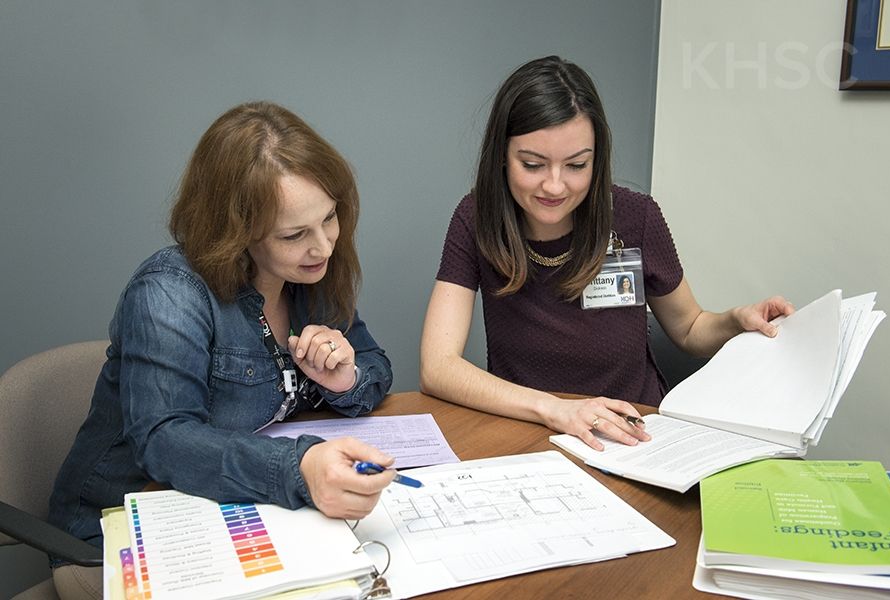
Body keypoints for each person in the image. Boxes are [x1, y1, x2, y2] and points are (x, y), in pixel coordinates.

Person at [48, 101, 395, 600]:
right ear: (237, 231)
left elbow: (374, 364)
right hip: (117, 537)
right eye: (295, 234)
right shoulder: (168, 292)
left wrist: (346, 379)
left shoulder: (308, 276)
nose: (324, 246)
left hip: (239, 512)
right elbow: (164, 440)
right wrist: (298, 468)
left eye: (330, 218)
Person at [420, 56, 793, 456]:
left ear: (597, 159)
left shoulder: (637, 217)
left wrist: (735, 321)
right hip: (530, 431)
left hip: (632, 436)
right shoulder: (476, 218)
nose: (554, 185)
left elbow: (689, 328)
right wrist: (555, 409)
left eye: (577, 165)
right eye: (532, 164)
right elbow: (437, 367)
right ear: (501, 157)